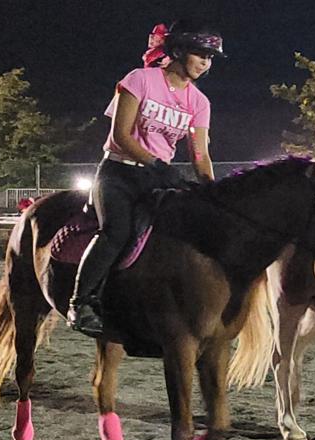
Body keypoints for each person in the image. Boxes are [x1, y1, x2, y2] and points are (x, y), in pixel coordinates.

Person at [70, 21, 223, 335]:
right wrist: (159, 165)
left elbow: (199, 154)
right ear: (178, 50)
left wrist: (211, 189)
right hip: (118, 174)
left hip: (157, 179)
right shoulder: (139, 80)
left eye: (210, 57)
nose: (206, 62)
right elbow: (122, 135)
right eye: (200, 53)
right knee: (116, 231)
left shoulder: (200, 103)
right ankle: (80, 301)